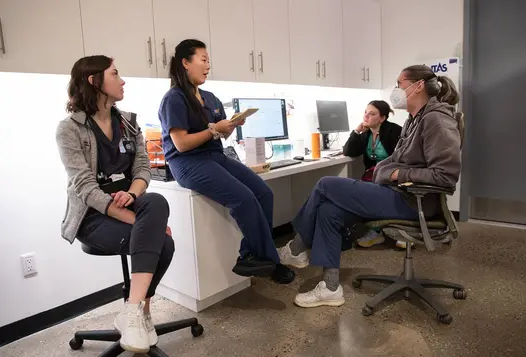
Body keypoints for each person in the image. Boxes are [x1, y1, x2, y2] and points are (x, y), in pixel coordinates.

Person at [277, 64, 461, 308]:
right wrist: (387, 171)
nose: (396, 90)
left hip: (413, 201)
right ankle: (330, 288)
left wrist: (396, 174)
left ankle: (296, 247)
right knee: (328, 212)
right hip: (397, 193)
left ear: (417, 86)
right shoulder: (415, 119)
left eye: (399, 84)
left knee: (325, 185)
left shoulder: (436, 119)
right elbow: (396, 158)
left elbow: (445, 176)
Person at [56, 55, 174, 353]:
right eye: (115, 74)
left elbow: (143, 169)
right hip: (93, 217)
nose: (122, 81)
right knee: (164, 242)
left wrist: (133, 196)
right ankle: (138, 313)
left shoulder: (129, 122)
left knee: (156, 200)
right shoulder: (70, 129)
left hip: (130, 205)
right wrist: (144, 224)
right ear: (94, 81)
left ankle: (135, 311)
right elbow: (85, 188)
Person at [157, 39, 294, 284]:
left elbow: (220, 134)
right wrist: (213, 130)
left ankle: (249, 254)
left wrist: (231, 126)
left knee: (264, 193)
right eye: (203, 59)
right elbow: (181, 143)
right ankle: (270, 261)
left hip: (214, 155)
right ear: (185, 63)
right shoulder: (174, 99)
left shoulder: (210, 98)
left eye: (208, 60)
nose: (208, 65)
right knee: (244, 198)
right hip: (187, 162)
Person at [343, 100, 402, 248]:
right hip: (373, 176)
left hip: (392, 175)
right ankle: (374, 232)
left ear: (382, 118)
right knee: (361, 191)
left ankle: (401, 231)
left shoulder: (394, 131)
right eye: (365, 112)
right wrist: (356, 132)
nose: (366, 116)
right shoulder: (366, 134)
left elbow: (403, 158)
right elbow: (349, 151)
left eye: (372, 114)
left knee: (375, 191)